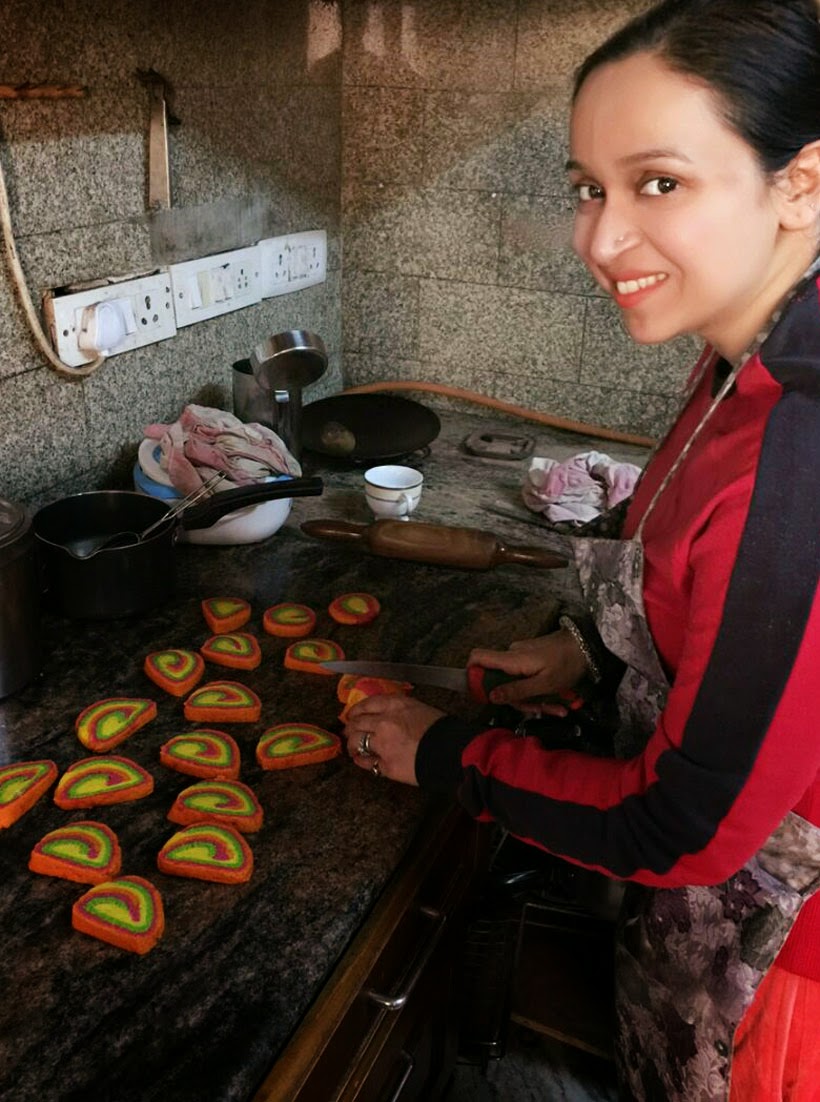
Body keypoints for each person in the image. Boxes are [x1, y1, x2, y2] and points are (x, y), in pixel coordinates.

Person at [341, 1, 820, 1099]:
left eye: (659, 182)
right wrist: (592, 650)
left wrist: (446, 755)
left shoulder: (800, 447)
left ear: (799, 183)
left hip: (781, 978)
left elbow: (684, 826)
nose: (598, 241)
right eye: (588, 188)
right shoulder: (747, 352)